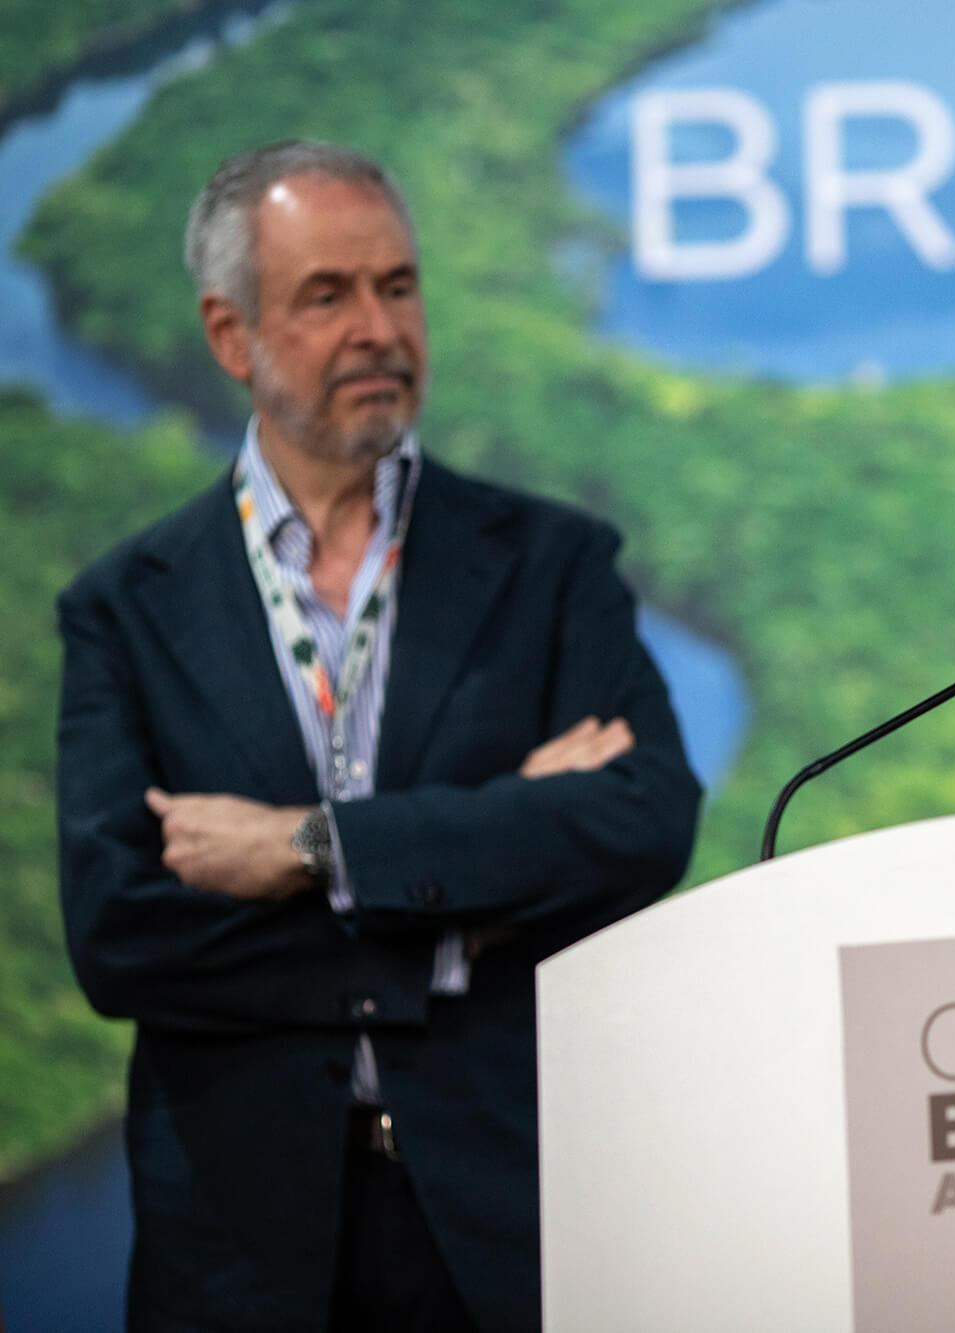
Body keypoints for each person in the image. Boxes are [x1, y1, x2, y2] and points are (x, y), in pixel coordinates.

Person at [56, 141, 701, 1332]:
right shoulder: (129, 607)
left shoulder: (551, 563)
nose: (376, 327)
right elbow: (122, 934)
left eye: (396, 286)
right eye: (326, 294)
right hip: (241, 1254)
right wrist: (455, 914)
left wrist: (310, 849)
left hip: (509, 1227)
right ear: (230, 334)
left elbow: (641, 818)